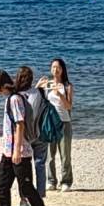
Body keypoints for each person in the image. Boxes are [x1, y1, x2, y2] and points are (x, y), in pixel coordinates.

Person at [0, 70, 55, 206]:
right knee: (2, 186)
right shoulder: (11, 98)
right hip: (8, 152)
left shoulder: (15, 99)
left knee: (26, 188)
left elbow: (20, 125)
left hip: (19, 152)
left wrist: (17, 150)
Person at [38, 58, 74, 192]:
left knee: (65, 155)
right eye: (53, 67)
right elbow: (35, 97)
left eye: (58, 67)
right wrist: (38, 85)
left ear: (63, 69)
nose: (55, 70)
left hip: (64, 122)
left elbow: (69, 106)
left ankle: (66, 181)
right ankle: (51, 181)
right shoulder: (48, 84)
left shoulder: (67, 86)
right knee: (49, 155)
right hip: (50, 123)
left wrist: (59, 94)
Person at [17, 66, 48, 205]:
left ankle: (24, 199)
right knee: (40, 164)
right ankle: (39, 197)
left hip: (24, 136)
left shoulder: (17, 95)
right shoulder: (40, 92)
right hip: (40, 133)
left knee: (24, 169)